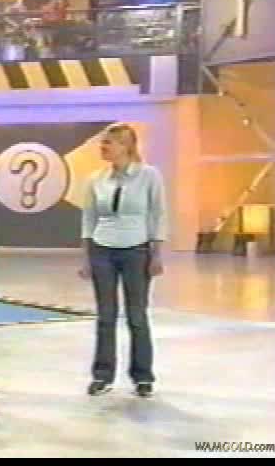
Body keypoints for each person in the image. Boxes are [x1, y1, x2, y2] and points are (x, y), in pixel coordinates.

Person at [79, 124, 167, 399]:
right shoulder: (96, 179)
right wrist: (86, 257)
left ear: (125, 146)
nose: (102, 148)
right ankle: (102, 375)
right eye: (102, 142)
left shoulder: (149, 176)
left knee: (137, 315)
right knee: (105, 316)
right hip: (102, 249)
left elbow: (158, 214)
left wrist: (157, 253)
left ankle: (143, 376)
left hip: (136, 250)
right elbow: (89, 219)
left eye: (108, 143)